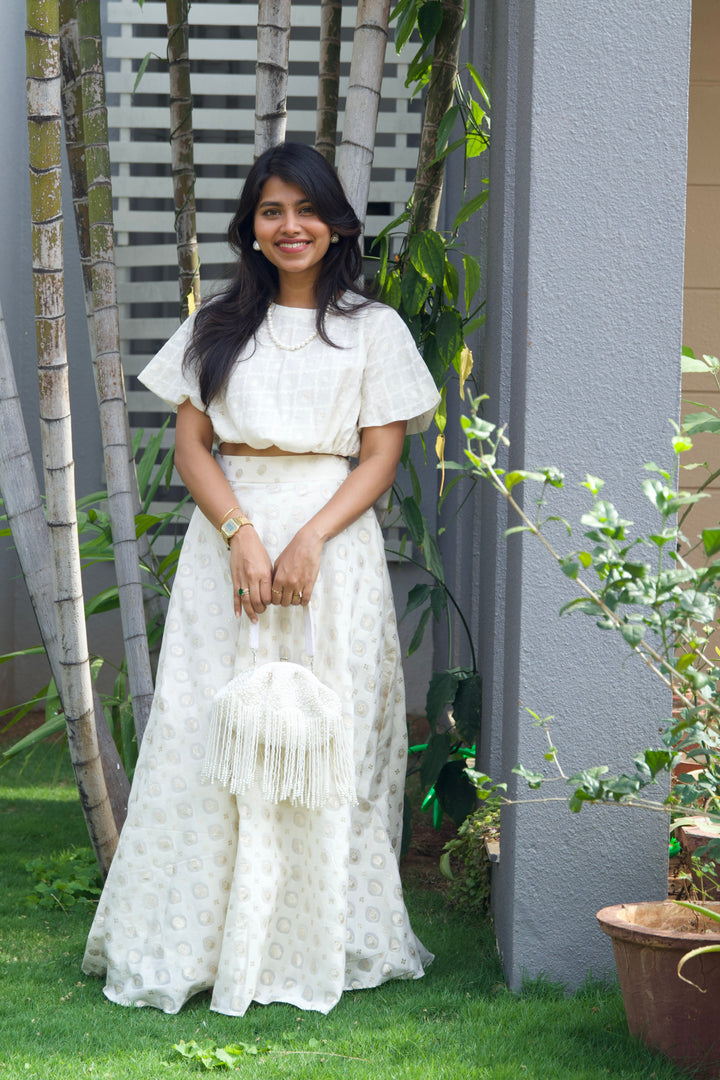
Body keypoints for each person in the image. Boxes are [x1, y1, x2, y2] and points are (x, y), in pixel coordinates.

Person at [82, 141, 441, 1016]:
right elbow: (191, 444)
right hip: (226, 549)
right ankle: (198, 939)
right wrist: (240, 533)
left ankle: (322, 938)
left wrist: (311, 537)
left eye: (307, 210)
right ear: (250, 226)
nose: (292, 227)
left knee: (329, 733)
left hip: (334, 543)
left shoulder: (373, 328)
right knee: (209, 724)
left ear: (336, 225)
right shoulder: (214, 325)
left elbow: (382, 452)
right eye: (273, 211)